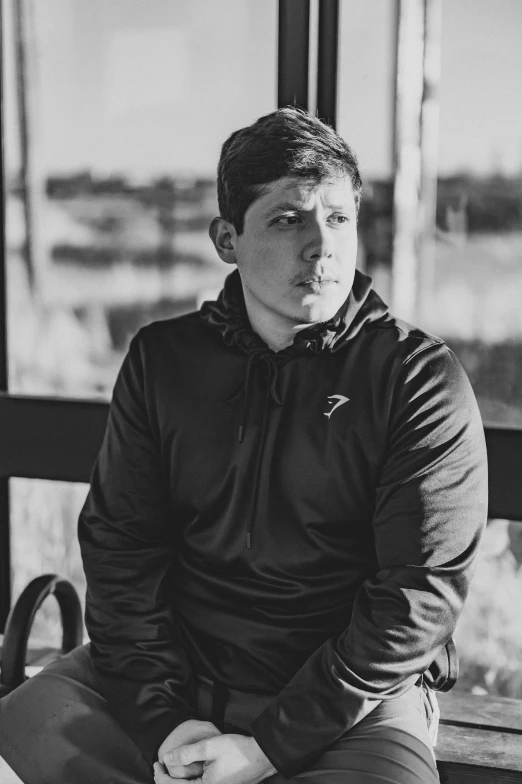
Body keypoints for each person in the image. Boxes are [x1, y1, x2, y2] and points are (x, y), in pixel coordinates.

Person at [0, 108, 488, 784]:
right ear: (227, 238)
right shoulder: (163, 360)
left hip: (351, 696)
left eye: (339, 218)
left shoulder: (416, 379)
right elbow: (122, 551)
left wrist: (267, 750)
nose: (321, 246)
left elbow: (419, 595)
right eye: (288, 219)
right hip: (175, 667)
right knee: (13, 738)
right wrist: (166, 721)